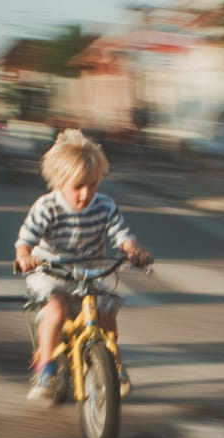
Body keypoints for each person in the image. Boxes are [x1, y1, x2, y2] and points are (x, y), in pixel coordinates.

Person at [14, 129, 152, 401]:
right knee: (56, 309)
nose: (86, 193)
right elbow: (25, 240)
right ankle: (46, 370)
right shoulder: (47, 207)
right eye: (78, 186)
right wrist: (24, 257)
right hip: (50, 270)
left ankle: (113, 362)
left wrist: (133, 250)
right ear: (59, 180)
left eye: (93, 184)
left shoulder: (104, 205)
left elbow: (121, 235)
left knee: (107, 312)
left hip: (89, 269)